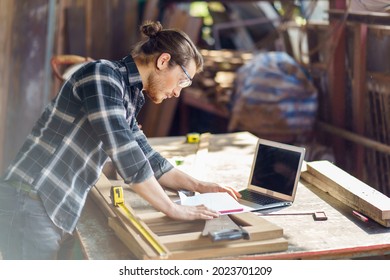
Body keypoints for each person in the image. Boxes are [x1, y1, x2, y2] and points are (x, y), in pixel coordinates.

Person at [0, 21, 240, 260]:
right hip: (30, 200)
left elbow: (146, 155)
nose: (178, 92)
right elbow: (126, 155)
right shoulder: (102, 76)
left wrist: (200, 186)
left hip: (44, 205)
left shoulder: (127, 93)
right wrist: (172, 208)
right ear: (163, 61)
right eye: (182, 80)